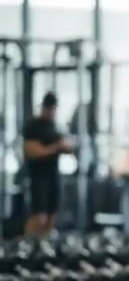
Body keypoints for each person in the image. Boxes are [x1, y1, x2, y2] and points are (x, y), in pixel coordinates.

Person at [22, 92, 72, 236]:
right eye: (49, 108)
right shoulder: (33, 126)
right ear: (43, 107)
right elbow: (32, 151)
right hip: (38, 176)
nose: (52, 111)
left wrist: (66, 147)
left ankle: (43, 249)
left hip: (53, 176)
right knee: (39, 217)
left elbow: (66, 147)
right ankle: (25, 247)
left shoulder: (54, 127)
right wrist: (55, 148)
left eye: (54, 108)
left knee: (51, 217)